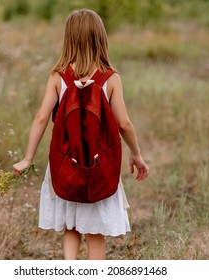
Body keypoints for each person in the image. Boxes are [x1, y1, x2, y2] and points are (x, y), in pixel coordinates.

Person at [12, 9, 149, 260]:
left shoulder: (58, 76)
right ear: (101, 38)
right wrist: (136, 154)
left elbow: (41, 118)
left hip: (64, 163)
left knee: (71, 226)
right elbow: (125, 124)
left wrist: (27, 158)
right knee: (95, 233)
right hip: (100, 166)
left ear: (69, 39)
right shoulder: (111, 78)